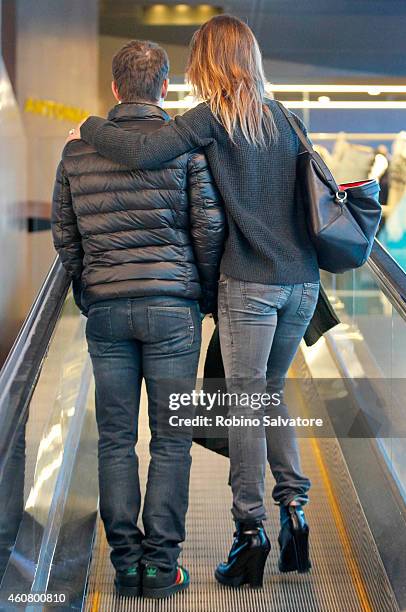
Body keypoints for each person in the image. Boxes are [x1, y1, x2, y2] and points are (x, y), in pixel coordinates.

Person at [68, 15, 321, 589]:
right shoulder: (287, 120)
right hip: (303, 285)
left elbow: (143, 152)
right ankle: (295, 509)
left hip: (250, 285)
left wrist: (85, 126)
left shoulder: (211, 120)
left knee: (244, 405)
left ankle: (250, 534)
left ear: (208, 62)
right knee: (270, 396)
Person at [52, 39, 225, 599]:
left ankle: (125, 563)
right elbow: (208, 230)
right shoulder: (186, 151)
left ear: (114, 89)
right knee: (171, 440)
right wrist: (197, 294)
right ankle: (161, 565)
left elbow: (66, 235)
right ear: (166, 88)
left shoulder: (77, 152)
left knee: (115, 440)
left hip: (106, 309)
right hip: (173, 308)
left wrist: (90, 286)